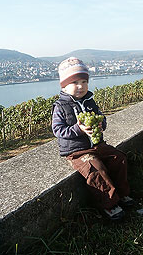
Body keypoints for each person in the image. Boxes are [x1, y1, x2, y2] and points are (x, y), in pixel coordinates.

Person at [52, 57, 133, 220]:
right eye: (75, 82)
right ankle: (109, 204)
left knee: (119, 158)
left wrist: (101, 123)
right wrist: (78, 129)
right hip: (76, 151)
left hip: (97, 145)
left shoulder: (90, 100)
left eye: (84, 81)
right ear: (64, 85)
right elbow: (58, 130)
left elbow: (100, 116)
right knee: (95, 169)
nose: (81, 86)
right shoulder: (60, 107)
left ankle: (122, 193)